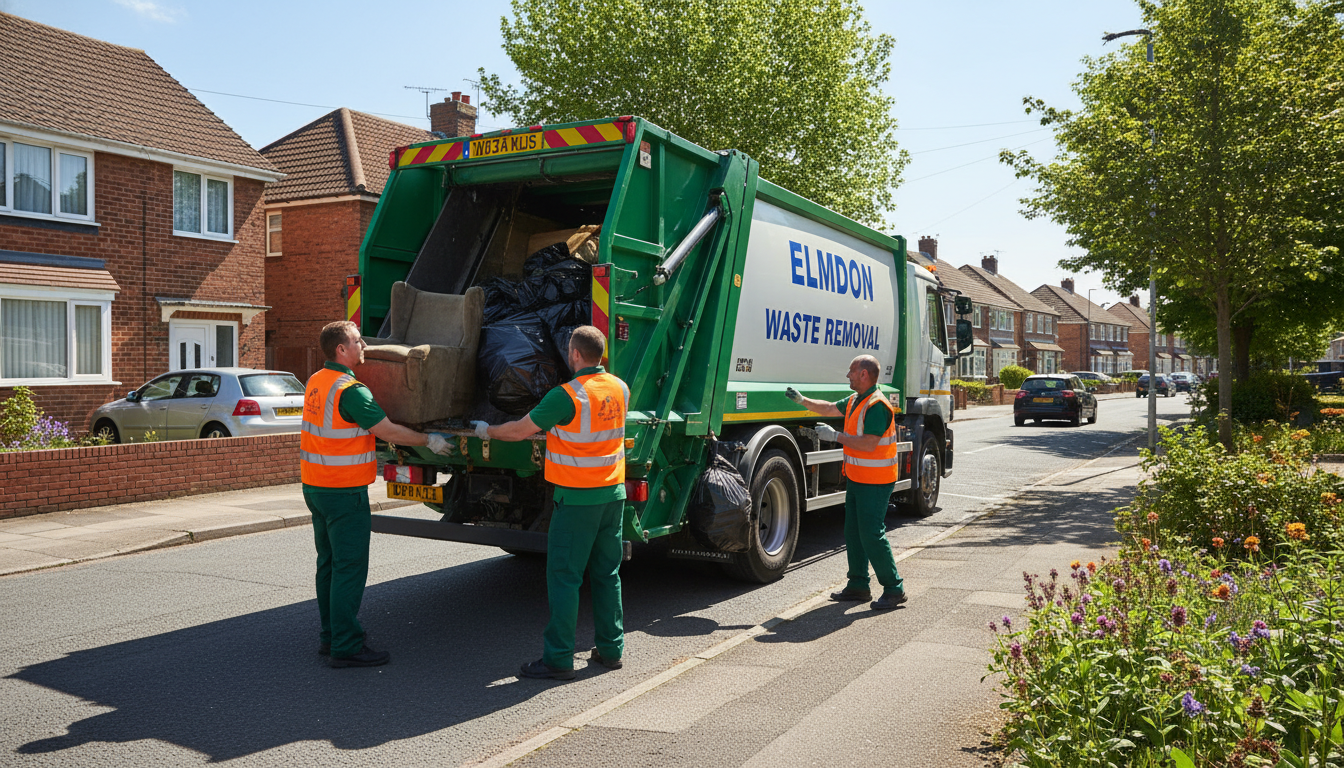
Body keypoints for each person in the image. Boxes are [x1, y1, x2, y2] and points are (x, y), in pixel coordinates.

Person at [475, 325, 628, 681]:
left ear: (574, 354)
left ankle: (559, 658)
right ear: (601, 354)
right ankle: (611, 649)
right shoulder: (620, 388)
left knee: (564, 577)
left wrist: (488, 431)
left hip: (576, 500)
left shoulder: (567, 396)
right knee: (607, 573)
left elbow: (520, 431)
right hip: (613, 496)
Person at [301, 320, 450, 668]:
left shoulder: (315, 381)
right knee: (349, 568)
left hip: (316, 487)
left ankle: (331, 636)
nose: (364, 345)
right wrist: (430, 440)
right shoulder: (350, 390)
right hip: (344, 491)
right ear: (341, 349)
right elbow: (388, 431)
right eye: (357, 341)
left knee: (329, 564)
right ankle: (347, 645)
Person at [786, 355, 907, 610]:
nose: (848, 375)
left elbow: (869, 443)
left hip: (876, 480)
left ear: (864, 374)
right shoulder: (855, 400)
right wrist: (803, 401)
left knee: (872, 534)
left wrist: (835, 436)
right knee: (853, 533)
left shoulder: (877, 405)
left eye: (852, 371)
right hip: (857, 478)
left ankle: (894, 588)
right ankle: (858, 586)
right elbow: (830, 408)